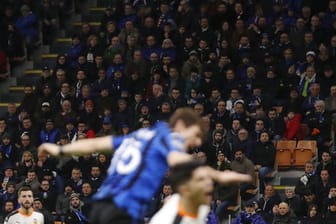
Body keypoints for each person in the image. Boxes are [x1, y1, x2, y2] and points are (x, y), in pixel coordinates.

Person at [38, 108, 251, 224]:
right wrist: (218, 175)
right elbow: (179, 162)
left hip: (101, 206)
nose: (195, 143)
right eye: (195, 135)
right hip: (122, 209)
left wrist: (60, 150)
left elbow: (94, 144)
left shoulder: (138, 136)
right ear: (180, 125)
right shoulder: (170, 137)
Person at [149, 160, 220, 224]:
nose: (209, 183)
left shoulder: (203, 210)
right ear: (185, 189)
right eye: (200, 180)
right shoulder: (168, 219)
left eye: (209, 178)